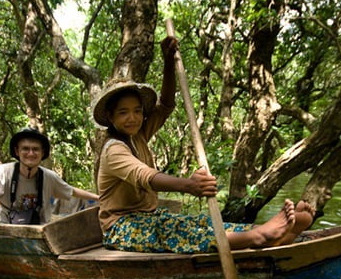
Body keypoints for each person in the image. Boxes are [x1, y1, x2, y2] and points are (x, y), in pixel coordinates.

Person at [93, 36, 315, 254]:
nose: (132, 117)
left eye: (137, 111)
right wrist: (188, 185)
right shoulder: (114, 149)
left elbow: (166, 105)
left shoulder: (138, 134)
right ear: (111, 117)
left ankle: (269, 233)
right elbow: (145, 176)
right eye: (123, 113)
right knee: (173, 233)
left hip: (150, 218)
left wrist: (169, 63)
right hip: (121, 228)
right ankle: (259, 236)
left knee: (197, 223)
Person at [0, 128, 99, 233]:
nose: (31, 153)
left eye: (35, 149)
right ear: (17, 151)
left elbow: (71, 191)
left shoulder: (48, 176)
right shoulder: (2, 172)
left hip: (41, 231)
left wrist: (99, 199)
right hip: (8, 230)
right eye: (25, 149)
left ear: (42, 153)